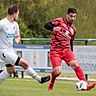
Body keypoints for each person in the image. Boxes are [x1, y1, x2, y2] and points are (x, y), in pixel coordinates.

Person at [44, 8, 96, 91]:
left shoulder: (73, 29)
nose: (72, 18)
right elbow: (46, 25)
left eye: (74, 17)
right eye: (71, 16)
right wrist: (53, 28)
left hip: (66, 50)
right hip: (55, 50)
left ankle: (86, 84)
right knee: (57, 72)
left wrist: (71, 51)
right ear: (67, 15)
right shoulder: (60, 21)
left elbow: (71, 41)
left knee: (75, 64)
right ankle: (52, 82)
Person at [0, 4, 50, 85]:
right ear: (14, 13)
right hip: (4, 52)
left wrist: (16, 40)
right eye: (18, 13)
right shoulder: (2, 23)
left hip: (10, 50)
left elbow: (17, 36)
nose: (18, 15)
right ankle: (39, 79)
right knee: (24, 63)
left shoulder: (15, 25)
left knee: (10, 70)